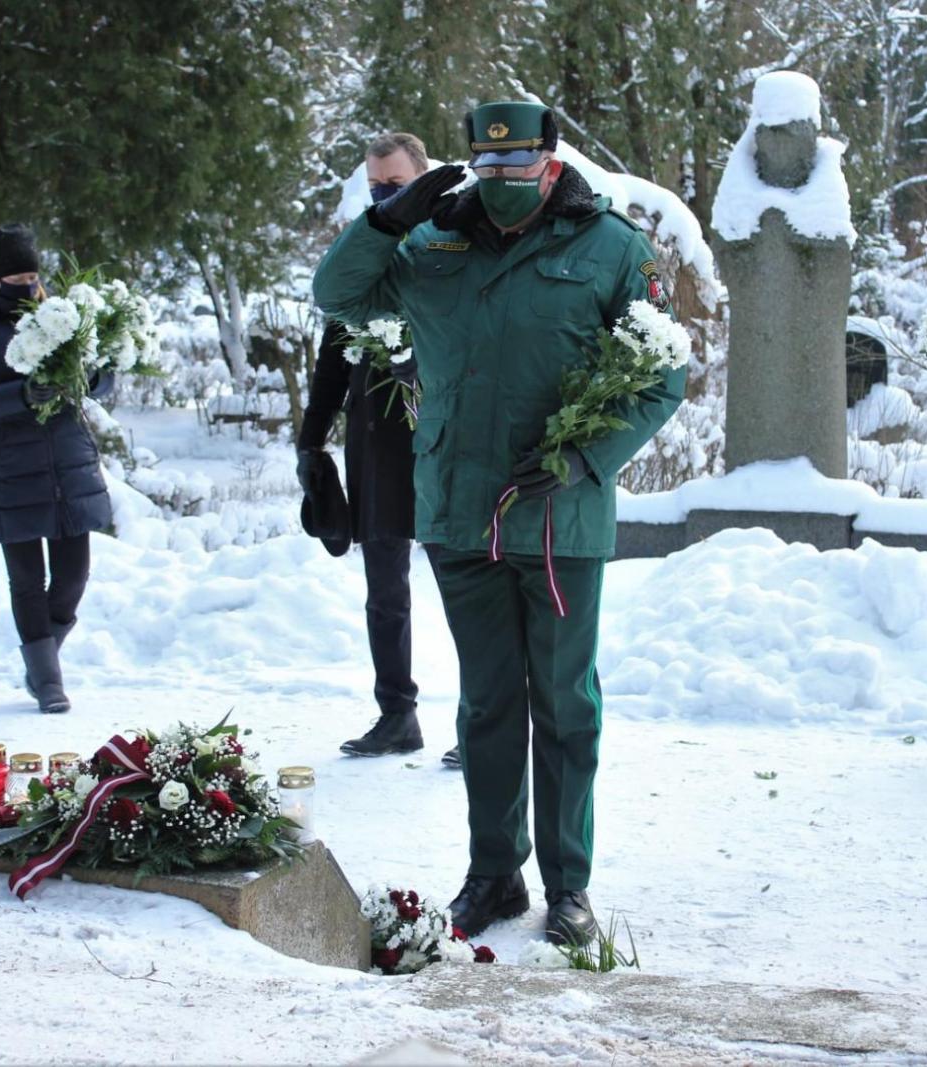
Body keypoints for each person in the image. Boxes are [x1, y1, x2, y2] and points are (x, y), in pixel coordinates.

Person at [313, 101, 685, 945]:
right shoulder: (430, 244)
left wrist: (589, 457)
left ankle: (568, 886)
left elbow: (664, 375)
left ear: (551, 160)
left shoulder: (611, 247)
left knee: (564, 705)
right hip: (458, 508)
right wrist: (386, 220)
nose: (504, 182)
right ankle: (494, 875)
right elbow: (335, 295)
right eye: (490, 168)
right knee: (485, 705)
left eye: (520, 167)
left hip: (560, 513)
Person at [298, 132, 439, 760]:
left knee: (468, 587)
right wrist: (311, 438)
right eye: (377, 186)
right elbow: (333, 352)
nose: (386, 196)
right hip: (376, 441)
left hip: (441, 435)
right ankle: (397, 715)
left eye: (398, 186)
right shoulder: (361, 246)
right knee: (385, 590)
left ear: (425, 177)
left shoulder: (451, 240)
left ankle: (484, 725)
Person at [0, 224, 114, 714]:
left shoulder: (62, 316)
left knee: (74, 577)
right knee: (26, 580)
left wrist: (92, 377)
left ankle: (43, 657)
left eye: (33, 275)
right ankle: (47, 682)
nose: (27, 284)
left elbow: (102, 377)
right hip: (10, 470)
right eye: (16, 277)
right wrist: (18, 395)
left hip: (67, 463)